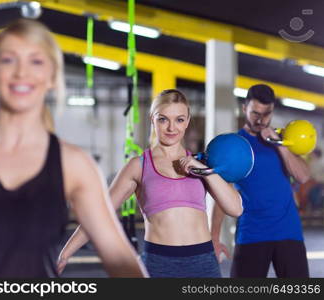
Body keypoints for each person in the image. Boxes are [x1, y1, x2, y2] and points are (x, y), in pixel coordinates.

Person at [0, 19, 147, 278]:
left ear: (52, 77)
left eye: (36, 61)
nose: (22, 72)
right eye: (8, 60)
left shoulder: (73, 164)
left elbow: (122, 261)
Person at [57, 89, 243, 278]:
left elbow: (235, 208)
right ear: (152, 119)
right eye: (163, 119)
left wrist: (201, 169)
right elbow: (99, 213)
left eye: (179, 120)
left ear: (187, 122)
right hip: (159, 263)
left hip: (202, 262)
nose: (171, 128)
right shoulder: (138, 166)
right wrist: (66, 252)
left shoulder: (203, 163)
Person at [211, 84, 310, 278]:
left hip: (288, 231)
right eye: (255, 112)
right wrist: (214, 236)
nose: (261, 119)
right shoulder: (236, 145)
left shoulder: (283, 140)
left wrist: (279, 144)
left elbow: (303, 175)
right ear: (244, 109)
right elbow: (222, 194)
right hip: (252, 232)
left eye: (266, 114)